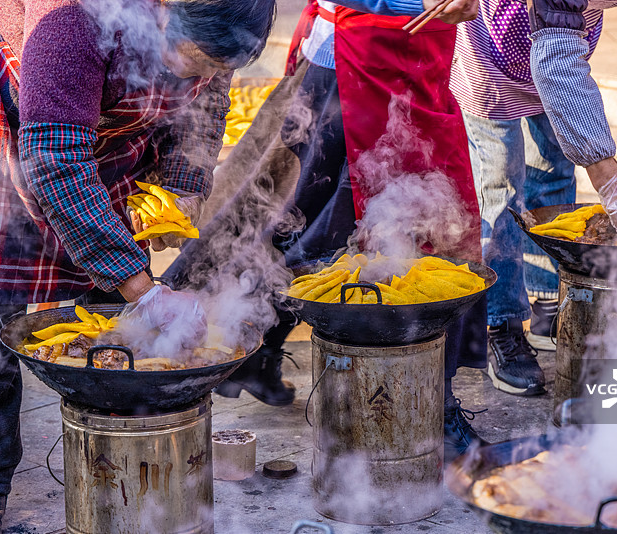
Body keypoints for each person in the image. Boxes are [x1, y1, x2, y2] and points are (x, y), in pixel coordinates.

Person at [0, 1, 276, 531]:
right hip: (23, 143)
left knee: (124, 344)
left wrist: (183, 184)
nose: (212, 76)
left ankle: (125, 487)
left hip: (112, 149)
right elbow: (53, 164)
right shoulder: (70, 25)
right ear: (166, 15)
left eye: (224, 64)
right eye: (201, 60)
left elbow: (210, 104)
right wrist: (142, 287)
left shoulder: (214, 25)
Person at [164, 0, 490, 459]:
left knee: (425, 220)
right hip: (352, 59)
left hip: (418, 56)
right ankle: (432, 405)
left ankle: (263, 350)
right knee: (317, 226)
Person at [450, 0, 617, 395]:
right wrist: (607, 176)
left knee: (553, 174)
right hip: (493, 56)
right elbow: (556, 54)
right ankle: (503, 324)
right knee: (501, 192)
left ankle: (550, 304)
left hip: (567, 47)